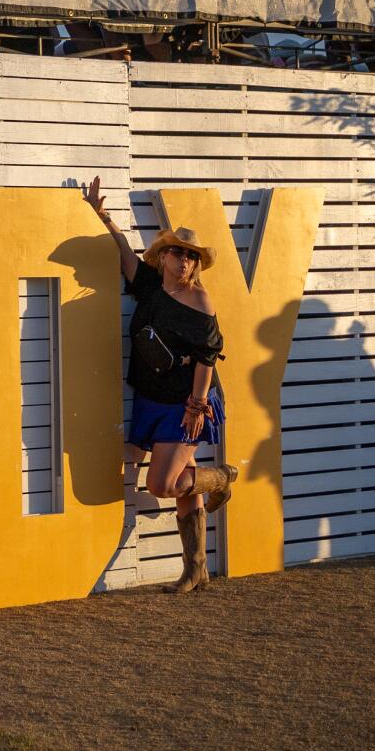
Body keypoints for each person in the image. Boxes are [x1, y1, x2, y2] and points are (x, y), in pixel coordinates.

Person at [83, 177, 237, 594]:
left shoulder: (198, 301)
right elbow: (122, 254)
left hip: (188, 400)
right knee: (179, 480)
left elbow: (207, 356)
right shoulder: (150, 284)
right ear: (163, 255)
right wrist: (102, 214)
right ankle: (196, 570)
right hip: (153, 396)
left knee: (162, 485)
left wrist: (196, 404)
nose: (184, 260)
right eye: (177, 252)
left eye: (191, 256)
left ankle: (220, 478)